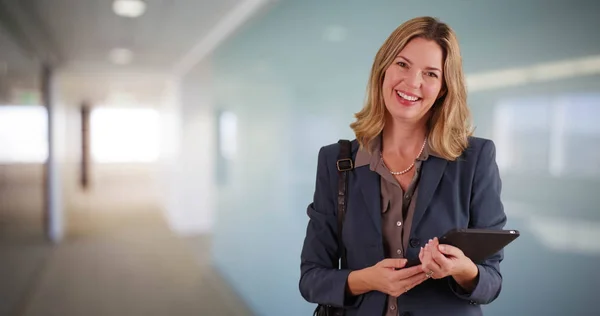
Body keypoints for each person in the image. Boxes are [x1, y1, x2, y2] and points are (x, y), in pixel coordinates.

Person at [299, 16, 507, 316]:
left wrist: (463, 271)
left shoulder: (475, 159)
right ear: (383, 69)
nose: (412, 83)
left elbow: (492, 282)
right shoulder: (336, 161)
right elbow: (311, 280)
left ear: (444, 89)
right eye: (402, 64)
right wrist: (366, 279)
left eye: (431, 73)